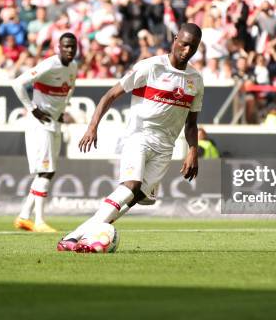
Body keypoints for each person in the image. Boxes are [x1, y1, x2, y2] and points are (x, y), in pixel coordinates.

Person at [57, 23, 204, 252]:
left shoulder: (195, 80)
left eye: (192, 48)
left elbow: (191, 123)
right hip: (140, 135)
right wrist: (92, 127)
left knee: (135, 197)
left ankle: (75, 237)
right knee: (131, 185)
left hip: (166, 147)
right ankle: (80, 235)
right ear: (175, 39)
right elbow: (110, 95)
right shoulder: (150, 67)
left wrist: (193, 151)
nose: (186, 51)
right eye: (184, 44)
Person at [11, 32, 78, 233]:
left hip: (53, 123)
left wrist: (62, 110)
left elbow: (70, 89)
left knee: (47, 171)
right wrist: (32, 108)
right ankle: (39, 221)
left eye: (72, 46)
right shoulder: (49, 65)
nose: (69, 50)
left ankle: (24, 216)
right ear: (58, 47)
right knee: (46, 172)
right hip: (39, 123)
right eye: (65, 46)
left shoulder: (73, 67)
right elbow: (17, 83)